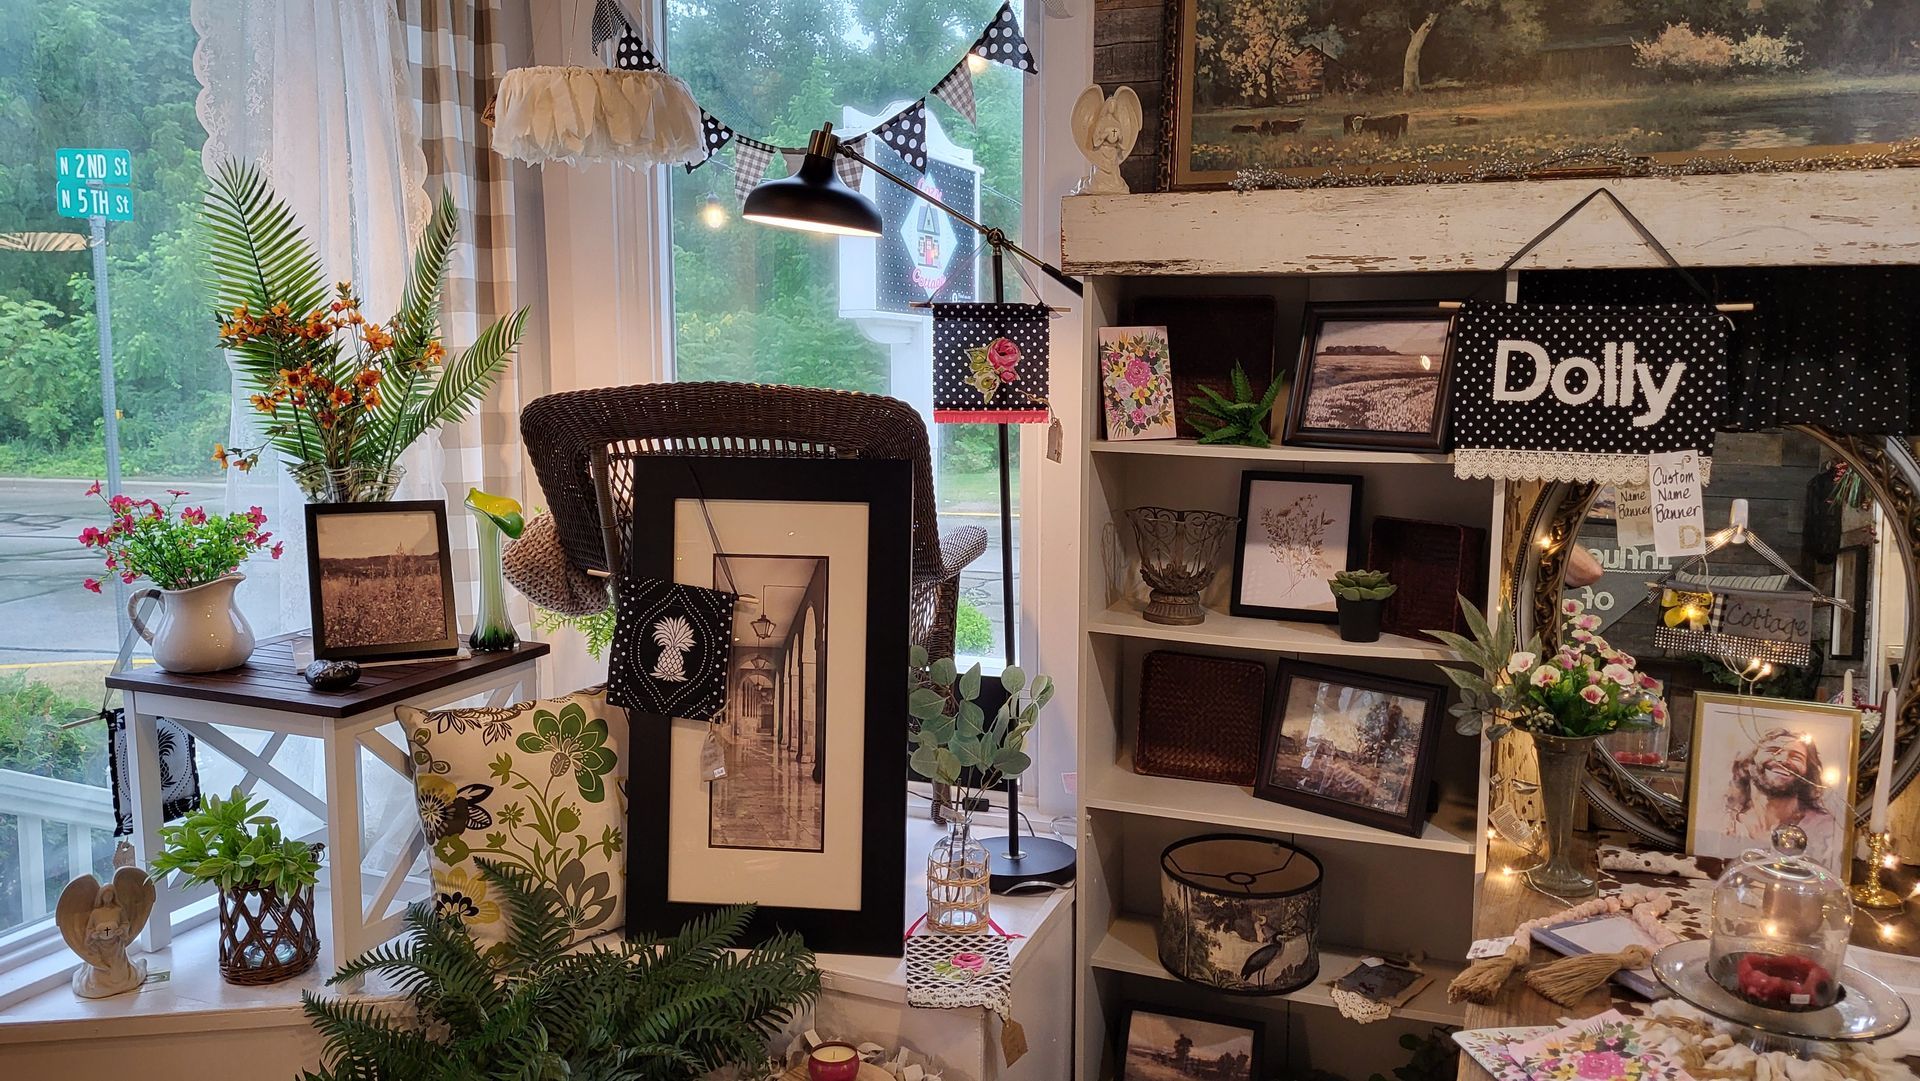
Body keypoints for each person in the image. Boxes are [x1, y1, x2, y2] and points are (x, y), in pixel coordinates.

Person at [1723, 728, 1841, 870]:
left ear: (1807, 774)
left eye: (1796, 757)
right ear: (1749, 763)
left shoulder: (1825, 828)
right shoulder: (1723, 819)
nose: (1783, 760)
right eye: (1773, 750)